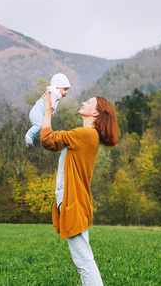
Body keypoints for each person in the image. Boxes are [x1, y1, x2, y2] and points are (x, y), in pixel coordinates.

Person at [41, 92, 119, 286]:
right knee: (84, 260)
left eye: (89, 102)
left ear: (96, 114)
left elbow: (48, 139)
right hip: (74, 202)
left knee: (84, 262)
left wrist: (48, 110)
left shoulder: (85, 134)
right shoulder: (86, 136)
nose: (84, 102)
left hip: (74, 203)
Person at [25, 73, 71, 148]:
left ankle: (31, 139)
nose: (66, 92)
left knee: (41, 128)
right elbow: (52, 97)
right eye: (64, 89)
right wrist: (52, 105)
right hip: (36, 113)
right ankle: (29, 135)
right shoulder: (54, 91)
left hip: (39, 114)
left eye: (67, 90)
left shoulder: (56, 93)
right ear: (57, 87)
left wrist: (51, 113)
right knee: (39, 125)